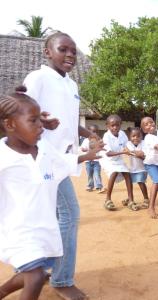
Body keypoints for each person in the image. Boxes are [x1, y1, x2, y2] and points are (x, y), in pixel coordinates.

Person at [0, 87, 102, 300]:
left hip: (44, 228)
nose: (41, 127)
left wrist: (88, 156)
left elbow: (62, 163)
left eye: (40, 120)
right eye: (34, 121)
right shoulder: (3, 158)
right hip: (16, 232)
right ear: (9, 125)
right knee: (35, 277)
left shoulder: (43, 149)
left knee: (35, 273)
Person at [23, 31, 96, 300]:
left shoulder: (71, 85)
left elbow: (67, 121)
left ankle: (44, 270)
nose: (70, 55)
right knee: (69, 214)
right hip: (44, 159)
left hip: (64, 160)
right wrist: (40, 121)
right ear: (47, 52)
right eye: (63, 49)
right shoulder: (38, 78)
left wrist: (88, 135)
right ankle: (62, 279)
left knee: (53, 218)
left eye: (73, 51)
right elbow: (22, 110)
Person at [101, 115, 139, 211]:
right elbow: (108, 153)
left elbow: (127, 145)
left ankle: (131, 200)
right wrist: (123, 152)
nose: (115, 127)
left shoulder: (122, 134)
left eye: (117, 125)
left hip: (118, 159)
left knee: (127, 175)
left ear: (120, 125)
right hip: (107, 160)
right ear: (107, 126)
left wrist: (133, 152)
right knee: (114, 173)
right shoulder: (106, 136)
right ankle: (108, 199)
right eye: (112, 125)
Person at [125, 127, 149, 207]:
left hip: (142, 169)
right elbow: (134, 153)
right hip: (132, 169)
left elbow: (143, 156)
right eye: (133, 136)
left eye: (138, 136)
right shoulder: (128, 143)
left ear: (142, 136)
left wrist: (132, 152)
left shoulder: (144, 143)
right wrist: (137, 153)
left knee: (141, 182)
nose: (136, 138)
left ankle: (146, 198)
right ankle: (130, 198)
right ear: (129, 137)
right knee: (129, 184)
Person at [80, 124, 106, 193]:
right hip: (88, 161)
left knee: (97, 173)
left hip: (96, 161)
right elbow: (83, 148)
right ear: (88, 132)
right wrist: (84, 149)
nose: (95, 133)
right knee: (89, 174)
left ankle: (99, 186)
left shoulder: (99, 140)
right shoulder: (85, 140)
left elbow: (101, 147)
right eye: (93, 132)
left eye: (96, 132)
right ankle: (90, 186)